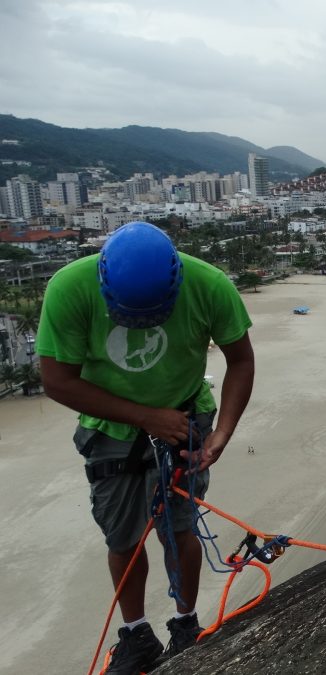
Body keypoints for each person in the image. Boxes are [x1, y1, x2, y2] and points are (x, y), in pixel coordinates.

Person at [36, 222, 255, 674]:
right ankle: (136, 634)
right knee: (123, 537)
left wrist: (222, 434)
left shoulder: (209, 284)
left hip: (184, 417)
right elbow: (57, 380)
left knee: (179, 528)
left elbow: (241, 359)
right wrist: (145, 417)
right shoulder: (70, 288)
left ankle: (185, 622)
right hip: (110, 429)